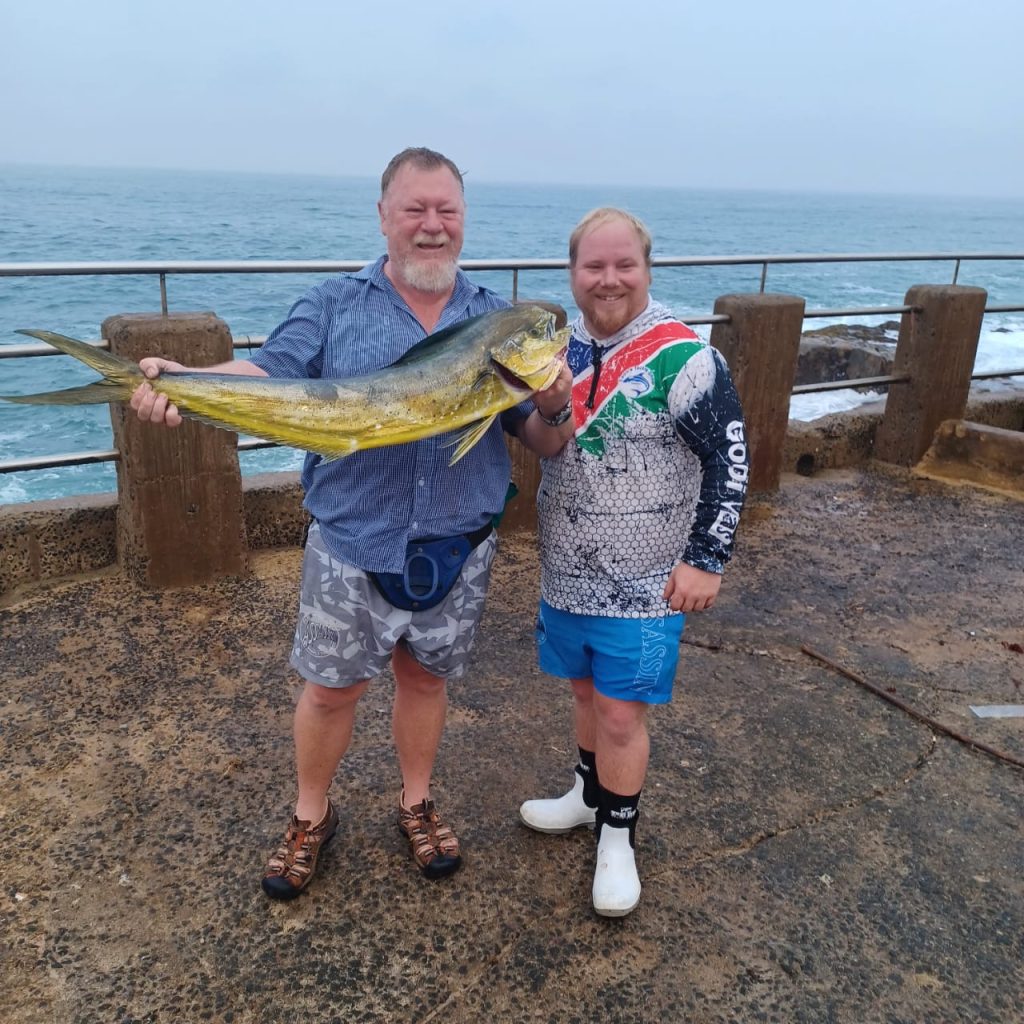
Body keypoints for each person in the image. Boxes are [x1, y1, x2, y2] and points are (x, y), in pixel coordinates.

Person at [130, 146, 575, 899]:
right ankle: (311, 815)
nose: (432, 227)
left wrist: (556, 402)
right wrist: (185, 383)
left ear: (464, 221)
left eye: (447, 212)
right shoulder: (336, 302)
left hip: (458, 546)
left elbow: (542, 438)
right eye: (415, 210)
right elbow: (271, 371)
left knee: (425, 683)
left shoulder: (495, 319)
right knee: (330, 690)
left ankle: (416, 801)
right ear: (384, 216)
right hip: (351, 542)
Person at [518, 207, 748, 917]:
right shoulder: (556, 353)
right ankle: (589, 796)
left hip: (647, 585)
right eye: (594, 266)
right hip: (567, 572)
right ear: (573, 274)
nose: (608, 279)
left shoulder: (687, 357)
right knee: (585, 695)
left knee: (622, 715)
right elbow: (544, 440)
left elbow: (731, 458)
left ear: (648, 269)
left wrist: (707, 557)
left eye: (625, 265)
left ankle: (619, 836)